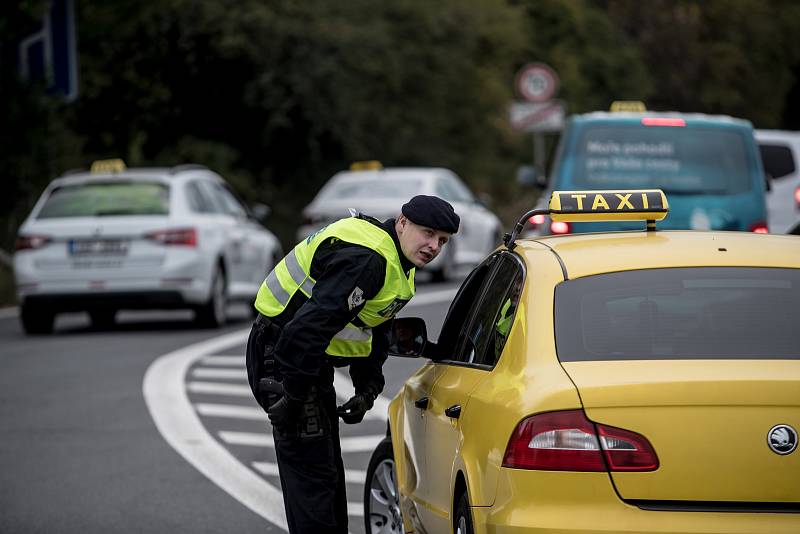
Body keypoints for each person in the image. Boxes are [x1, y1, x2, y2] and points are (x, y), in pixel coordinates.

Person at [245, 195, 459, 533]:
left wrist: (367, 387)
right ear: (402, 222)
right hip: (283, 355)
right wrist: (293, 396)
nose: (434, 246)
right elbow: (304, 331)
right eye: (428, 233)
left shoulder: (396, 261)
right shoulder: (368, 260)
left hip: (305, 359)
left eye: (442, 241)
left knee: (325, 469)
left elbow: (374, 323)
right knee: (312, 474)